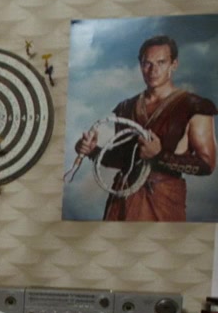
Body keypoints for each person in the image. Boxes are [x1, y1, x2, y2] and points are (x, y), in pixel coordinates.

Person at [75, 34, 217, 221]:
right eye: (147, 63)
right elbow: (124, 159)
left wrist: (159, 155)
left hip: (162, 202)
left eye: (161, 63)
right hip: (122, 200)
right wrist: (93, 151)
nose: (153, 70)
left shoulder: (193, 106)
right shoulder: (126, 107)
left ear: (174, 64)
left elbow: (207, 165)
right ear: (140, 64)